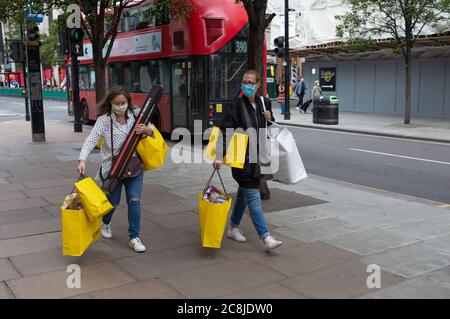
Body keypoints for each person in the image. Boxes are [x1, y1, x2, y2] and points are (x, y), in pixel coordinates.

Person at [77, 86, 155, 253]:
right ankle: (106, 223)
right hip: (111, 169)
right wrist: (82, 159)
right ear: (110, 103)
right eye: (117, 103)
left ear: (128, 101)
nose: (120, 106)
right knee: (112, 202)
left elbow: (153, 132)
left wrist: (146, 130)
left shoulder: (136, 114)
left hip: (133, 167)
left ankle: (134, 237)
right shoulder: (104, 120)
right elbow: (91, 140)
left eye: (123, 102)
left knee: (135, 201)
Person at [213, 69, 283, 251]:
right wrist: (219, 156)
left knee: (244, 194)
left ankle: (233, 227)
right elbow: (225, 130)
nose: (247, 85)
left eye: (251, 82)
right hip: (240, 157)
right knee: (253, 195)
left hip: (258, 157)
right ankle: (266, 237)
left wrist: (269, 117)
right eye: (245, 82)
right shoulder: (236, 104)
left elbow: (268, 127)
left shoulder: (263, 102)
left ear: (258, 85)